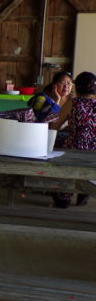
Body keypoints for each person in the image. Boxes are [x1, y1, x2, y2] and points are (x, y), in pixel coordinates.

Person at [49, 71, 96, 208]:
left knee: (60, 154)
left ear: (77, 86)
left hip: (75, 146)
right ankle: (84, 192)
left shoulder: (73, 103)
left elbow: (55, 126)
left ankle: (64, 197)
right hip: (94, 149)